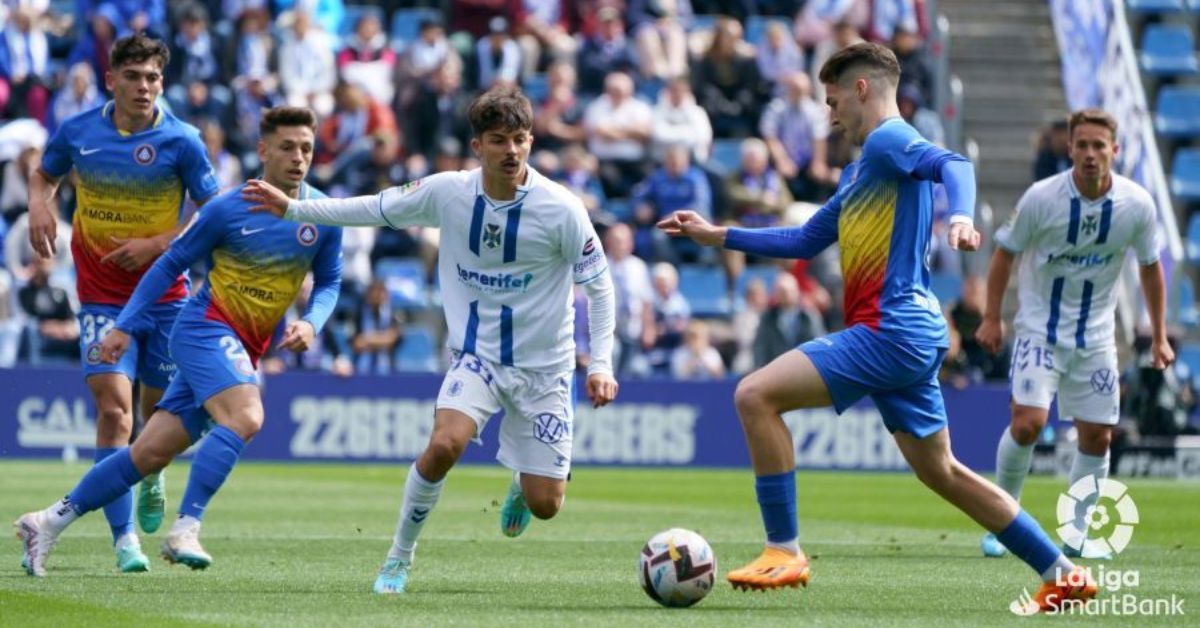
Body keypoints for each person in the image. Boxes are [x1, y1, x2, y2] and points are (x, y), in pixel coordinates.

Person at [656, 42, 1096, 612]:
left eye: (834, 100)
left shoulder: (890, 139)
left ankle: (784, 549)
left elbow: (953, 165)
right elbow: (804, 239)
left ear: (862, 89)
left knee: (755, 395)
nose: (830, 114)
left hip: (888, 329)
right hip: (907, 335)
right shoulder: (862, 169)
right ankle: (1063, 572)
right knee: (943, 472)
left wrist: (961, 216)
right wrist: (720, 235)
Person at [239, 86, 619, 595]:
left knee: (546, 505)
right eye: (499, 140)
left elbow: (600, 287)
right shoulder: (448, 192)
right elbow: (373, 207)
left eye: (520, 140)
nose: (511, 151)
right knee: (444, 444)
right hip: (477, 356)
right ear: (477, 145)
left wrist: (600, 364)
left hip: (545, 368)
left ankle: (522, 482)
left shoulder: (562, 209)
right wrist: (294, 210)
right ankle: (399, 557)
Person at [15, 106, 343, 577]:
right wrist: (126, 325)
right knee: (247, 415)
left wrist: (313, 322)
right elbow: (169, 264)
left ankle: (47, 521)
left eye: (306, 148)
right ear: (263, 151)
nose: (298, 158)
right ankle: (186, 526)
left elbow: (330, 280)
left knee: (147, 453)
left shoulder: (321, 214)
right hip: (204, 328)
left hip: (244, 343)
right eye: (287, 147)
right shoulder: (228, 208)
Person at [23, 34, 220, 573]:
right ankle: (125, 540)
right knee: (115, 409)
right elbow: (45, 172)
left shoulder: (182, 140)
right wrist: (41, 205)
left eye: (153, 78)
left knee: (156, 416)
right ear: (112, 80)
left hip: (167, 297)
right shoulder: (80, 131)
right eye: (133, 76)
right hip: (101, 299)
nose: (143, 87)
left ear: (163, 82)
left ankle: (153, 472)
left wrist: (160, 245)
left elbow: (213, 211)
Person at [974, 108, 1172, 560]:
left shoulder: (1137, 204)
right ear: (1069, 149)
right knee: (1027, 425)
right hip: (1039, 331)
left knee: (1098, 436)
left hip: (1097, 338)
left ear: (1114, 151)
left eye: (1098, 145)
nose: (1089, 153)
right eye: (1081, 145)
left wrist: (1158, 335)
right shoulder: (1042, 199)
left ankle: (1079, 531)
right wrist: (991, 316)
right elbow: (1004, 253)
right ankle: (1003, 520)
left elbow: (1149, 268)